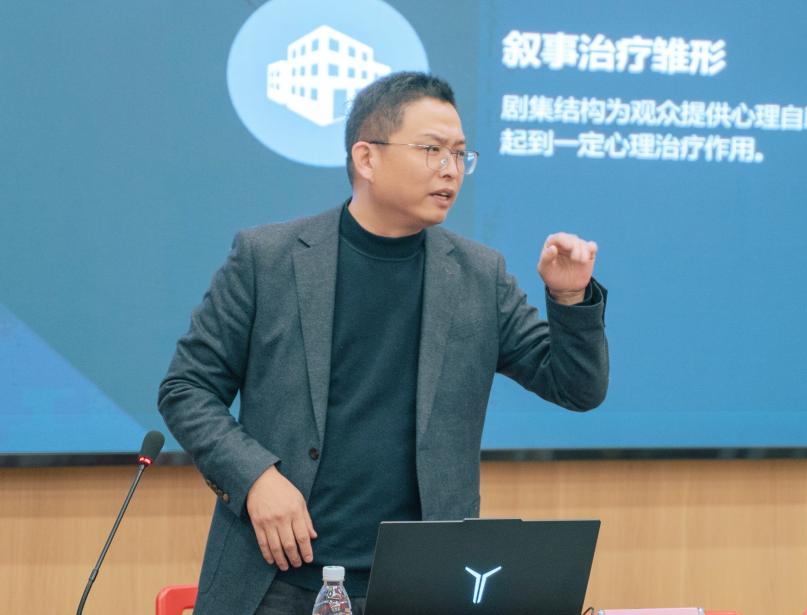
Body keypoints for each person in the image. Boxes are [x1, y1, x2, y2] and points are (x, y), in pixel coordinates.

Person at [158, 71, 609, 615]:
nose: (450, 169)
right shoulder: (269, 259)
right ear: (367, 158)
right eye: (432, 149)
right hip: (277, 580)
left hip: (424, 584)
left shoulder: (478, 276)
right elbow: (187, 389)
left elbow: (576, 387)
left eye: (460, 154)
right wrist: (255, 479)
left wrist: (569, 298)